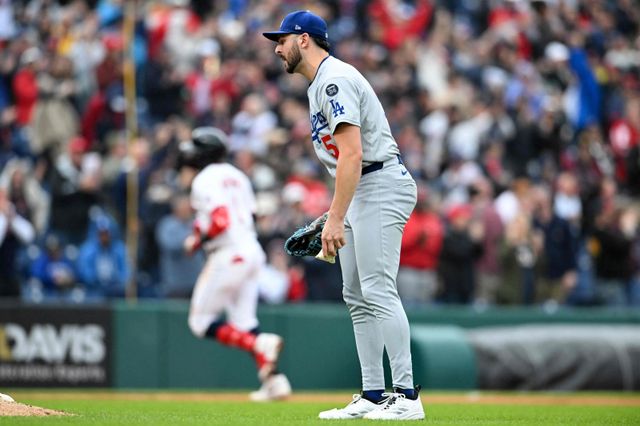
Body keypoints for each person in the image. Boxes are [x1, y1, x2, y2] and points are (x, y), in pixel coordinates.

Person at [264, 10, 424, 420]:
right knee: (356, 294)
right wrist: (336, 211)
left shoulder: (334, 79)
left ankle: (407, 396)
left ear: (304, 39)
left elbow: (353, 154)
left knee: (377, 288)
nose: (277, 49)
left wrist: (336, 217)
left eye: (282, 40)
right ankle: (373, 394)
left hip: (380, 182)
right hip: (364, 187)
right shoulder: (319, 84)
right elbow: (347, 162)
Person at [179, 126, 291, 402]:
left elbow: (220, 221)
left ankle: (259, 343)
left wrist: (195, 241)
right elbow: (250, 216)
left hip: (228, 254)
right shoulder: (238, 176)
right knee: (244, 322)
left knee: (199, 322)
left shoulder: (203, 178)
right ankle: (275, 382)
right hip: (251, 251)